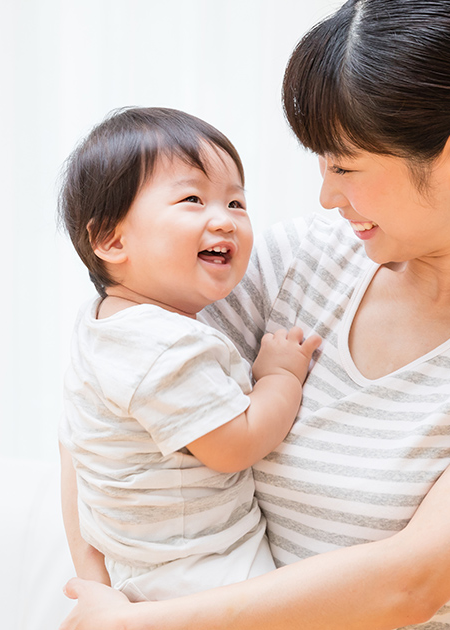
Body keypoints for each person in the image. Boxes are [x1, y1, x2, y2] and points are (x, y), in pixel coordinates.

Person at [58, 1, 450, 629]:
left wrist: (137, 625)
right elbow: (108, 399)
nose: (326, 195)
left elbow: (411, 584)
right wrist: (101, 597)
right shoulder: (294, 264)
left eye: (345, 166)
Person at [57, 106, 323, 603]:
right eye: (193, 199)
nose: (224, 220)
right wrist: (280, 377)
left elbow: (69, 448)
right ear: (111, 239)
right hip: (204, 571)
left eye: (237, 203)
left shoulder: (100, 324)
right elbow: (235, 446)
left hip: (142, 568)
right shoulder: (167, 347)